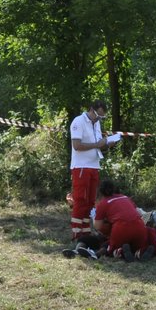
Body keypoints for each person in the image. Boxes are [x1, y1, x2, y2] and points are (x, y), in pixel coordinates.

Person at [68, 98, 120, 249]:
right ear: (91, 109)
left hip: (94, 166)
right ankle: (77, 234)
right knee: (80, 200)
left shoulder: (96, 123)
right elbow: (77, 145)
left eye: (102, 117)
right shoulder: (78, 121)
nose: (99, 119)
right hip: (81, 167)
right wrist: (97, 144)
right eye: (98, 115)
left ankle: (85, 233)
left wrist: (107, 144)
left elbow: (97, 146)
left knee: (90, 202)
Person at [90, 179, 156, 261]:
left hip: (121, 229)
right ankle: (141, 251)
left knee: (111, 248)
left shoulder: (103, 203)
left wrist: (94, 216)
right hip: (139, 227)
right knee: (137, 246)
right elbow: (138, 212)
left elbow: (98, 226)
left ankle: (120, 251)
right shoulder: (125, 197)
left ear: (101, 193)